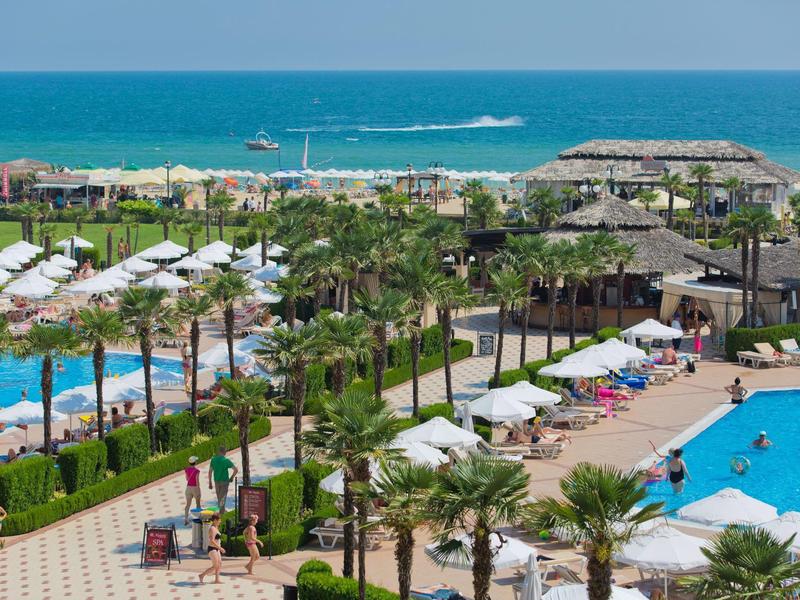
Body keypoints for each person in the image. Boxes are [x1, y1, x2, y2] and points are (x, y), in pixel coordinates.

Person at [209, 446, 238, 514]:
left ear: (219, 451)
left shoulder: (213, 460)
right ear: (225, 452)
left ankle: (222, 511)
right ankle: (221, 514)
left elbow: (210, 471)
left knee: (219, 498)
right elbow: (236, 470)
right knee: (222, 498)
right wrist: (231, 477)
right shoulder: (226, 461)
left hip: (216, 481)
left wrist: (210, 482)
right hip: (224, 482)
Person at [199, 513, 225, 584]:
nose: (220, 521)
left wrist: (219, 548)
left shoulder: (216, 527)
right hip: (212, 549)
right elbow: (212, 541)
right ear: (215, 520)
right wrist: (220, 548)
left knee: (219, 564)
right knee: (215, 565)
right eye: (219, 520)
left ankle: (217, 579)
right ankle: (202, 575)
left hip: (216, 549)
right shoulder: (212, 528)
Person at [184, 456, 202, 525]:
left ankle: (186, 519)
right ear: (195, 462)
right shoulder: (197, 471)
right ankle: (199, 519)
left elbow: (187, 479)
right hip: (195, 488)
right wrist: (198, 489)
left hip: (188, 488)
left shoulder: (186, 470)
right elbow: (197, 481)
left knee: (187, 504)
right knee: (198, 504)